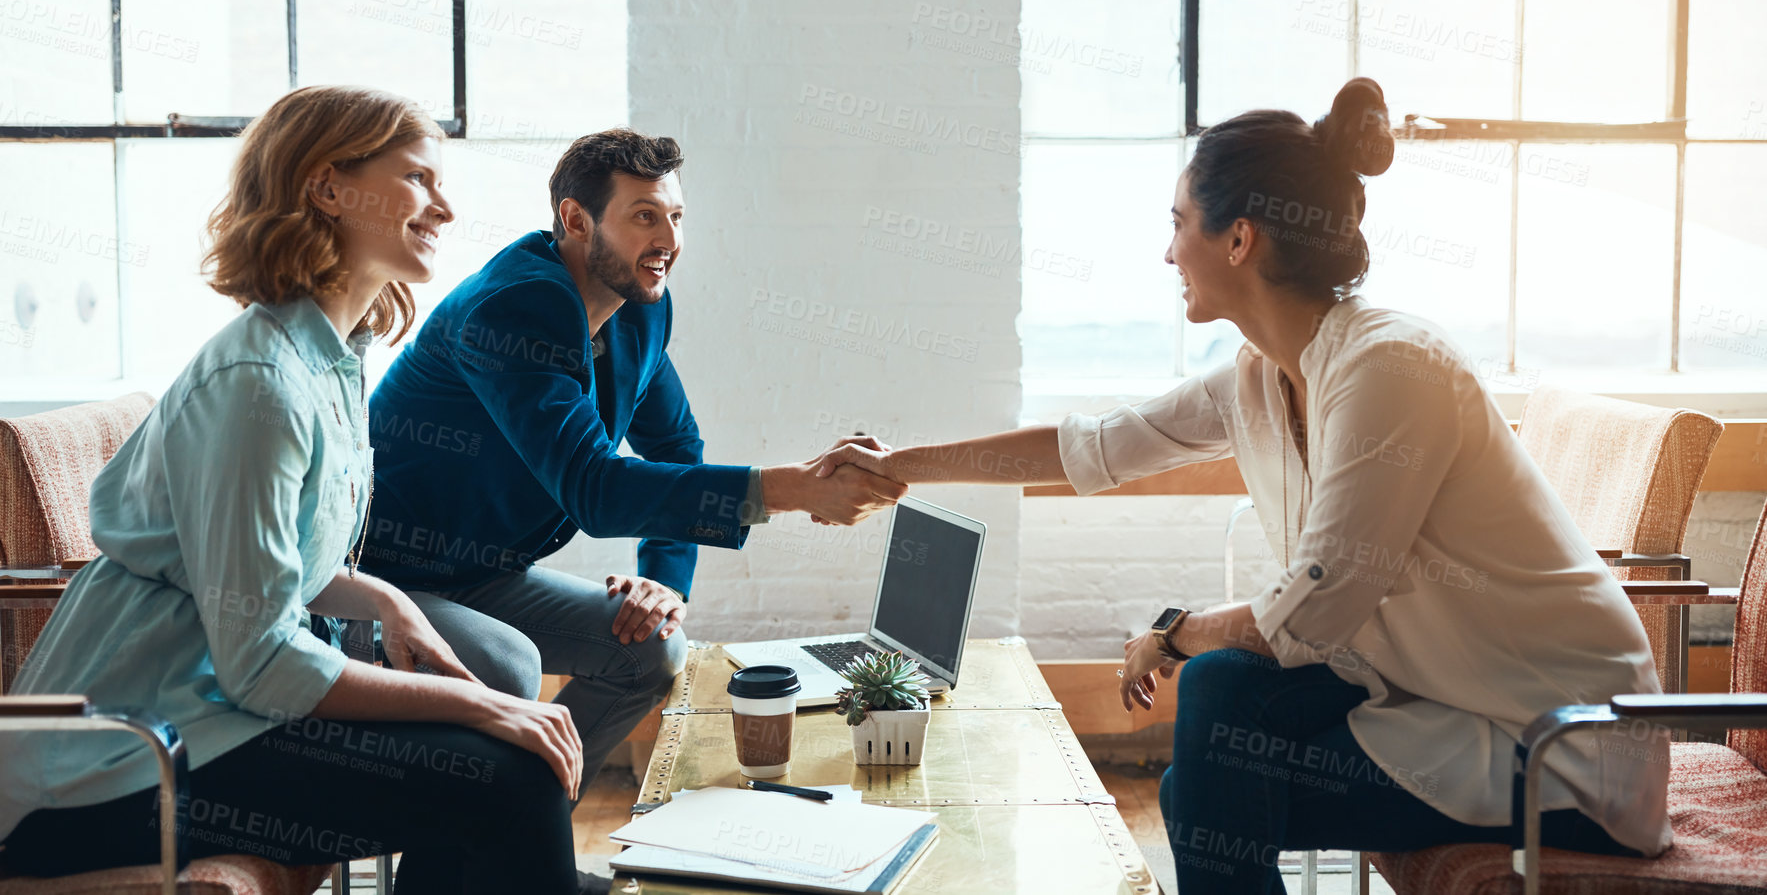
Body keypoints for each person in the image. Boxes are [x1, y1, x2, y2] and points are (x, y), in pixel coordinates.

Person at [815, 78, 1669, 893]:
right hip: (1433, 696)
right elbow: (1095, 447)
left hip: (1560, 744)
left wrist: (1173, 631)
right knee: (1213, 740)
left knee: (1204, 767)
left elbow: (1314, 608)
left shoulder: (1390, 367)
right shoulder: (1260, 376)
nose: (1166, 248)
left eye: (1178, 221)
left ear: (1239, 238)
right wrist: (902, 464)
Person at [0, 87, 594, 894]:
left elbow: (271, 560)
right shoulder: (260, 382)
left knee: (500, 776)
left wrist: (385, 597)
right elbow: (262, 663)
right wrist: (480, 708)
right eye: (418, 178)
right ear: (326, 187)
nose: (444, 208)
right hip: (109, 771)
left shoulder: (329, 356)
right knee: (508, 774)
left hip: (207, 719)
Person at [355, 127, 903, 795]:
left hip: (484, 573)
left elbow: (673, 448)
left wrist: (664, 582)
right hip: (382, 579)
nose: (668, 240)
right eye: (644, 215)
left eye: (675, 217)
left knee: (651, 648)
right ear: (576, 220)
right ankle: (484, 842)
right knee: (507, 663)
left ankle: (513, 822)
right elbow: (592, 485)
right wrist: (791, 489)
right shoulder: (512, 308)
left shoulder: (640, 310)